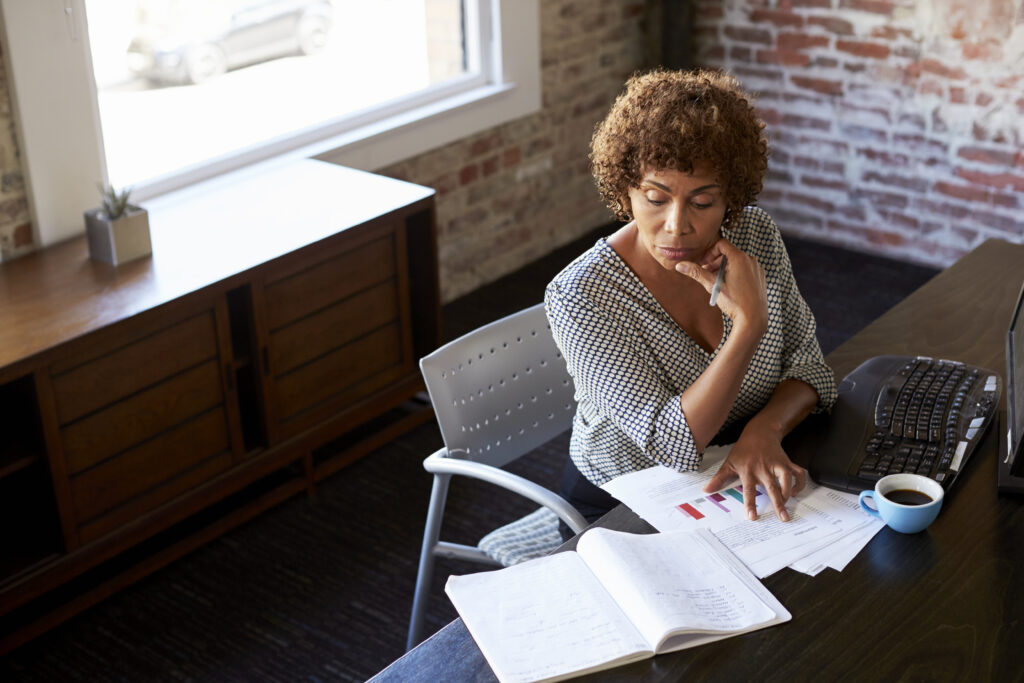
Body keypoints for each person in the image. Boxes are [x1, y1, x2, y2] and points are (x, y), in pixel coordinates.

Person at [545, 68, 837, 528]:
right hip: (624, 500)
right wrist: (748, 325)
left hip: (741, 464)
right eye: (655, 198)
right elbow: (672, 443)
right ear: (625, 190)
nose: (677, 225)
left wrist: (765, 428)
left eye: (702, 203)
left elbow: (809, 366)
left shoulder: (755, 236)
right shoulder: (581, 294)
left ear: (730, 201)